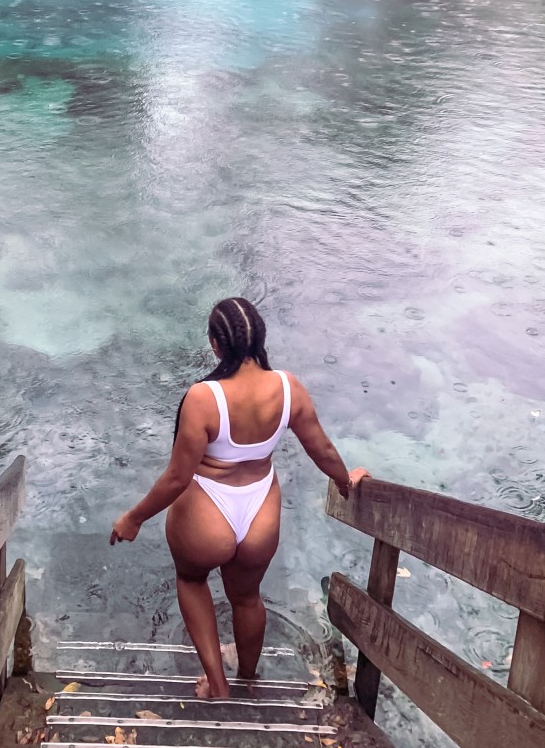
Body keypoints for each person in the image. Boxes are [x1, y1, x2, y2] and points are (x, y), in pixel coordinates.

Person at [110, 296, 369, 698]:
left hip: (207, 512)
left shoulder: (203, 397)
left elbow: (177, 477)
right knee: (247, 598)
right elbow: (322, 449)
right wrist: (345, 480)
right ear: (260, 336)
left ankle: (217, 684)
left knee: (191, 579)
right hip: (259, 511)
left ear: (215, 344)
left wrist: (134, 518)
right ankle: (248, 676)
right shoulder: (288, 388)